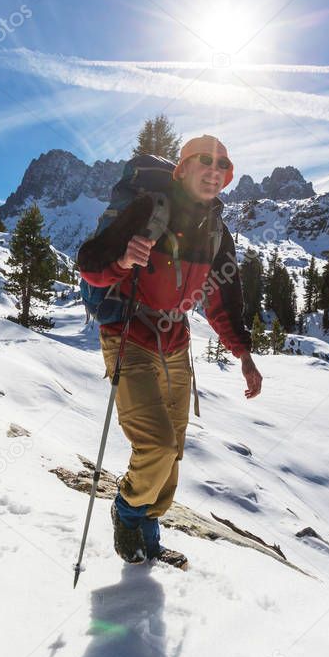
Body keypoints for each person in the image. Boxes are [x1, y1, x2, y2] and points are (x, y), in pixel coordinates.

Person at [77, 134, 262, 570]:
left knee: (174, 447)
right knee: (157, 445)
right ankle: (127, 510)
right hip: (128, 334)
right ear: (183, 169)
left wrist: (244, 355)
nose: (214, 172)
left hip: (176, 342)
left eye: (223, 166)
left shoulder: (216, 229)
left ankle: (149, 534)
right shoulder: (149, 208)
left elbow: (223, 299)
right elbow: (89, 261)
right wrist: (123, 260)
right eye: (205, 163)